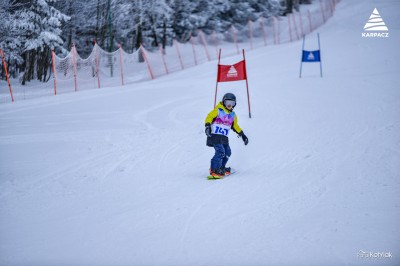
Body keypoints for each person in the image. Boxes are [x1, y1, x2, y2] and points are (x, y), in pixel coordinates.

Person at [205, 92, 249, 178]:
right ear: (223, 102)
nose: (229, 105)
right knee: (220, 152)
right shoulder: (218, 110)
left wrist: (243, 135)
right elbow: (209, 117)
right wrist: (207, 127)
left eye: (232, 103)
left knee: (227, 152)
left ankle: (221, 168)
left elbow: (235, 126)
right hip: (215, 136)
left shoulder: (233, 115)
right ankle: (214, 169)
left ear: (234, 104)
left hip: (224, 137)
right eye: (227, 102)